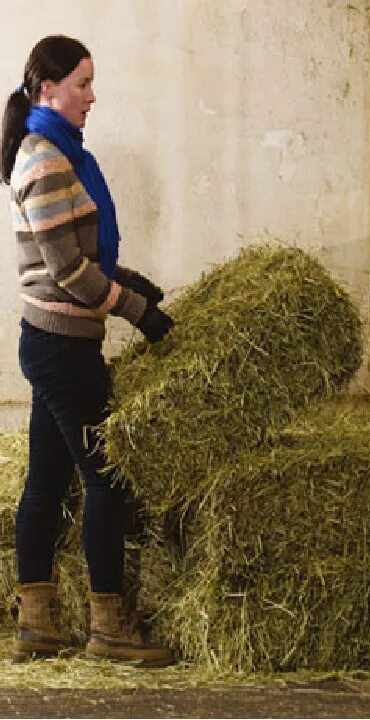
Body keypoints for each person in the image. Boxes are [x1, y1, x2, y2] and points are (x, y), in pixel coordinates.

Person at [1, 35, 174, 666]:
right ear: (47, 88)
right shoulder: (46, 160)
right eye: (82, 84)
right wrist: (135, 312)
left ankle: (36, 626)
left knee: (46, 482)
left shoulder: (56, 154)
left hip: (53, 342)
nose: (91, 97)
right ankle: (108, 630)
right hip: (60, 349)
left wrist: (126, 279)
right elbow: (69, 272)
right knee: (108, 480)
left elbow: (76, 259)